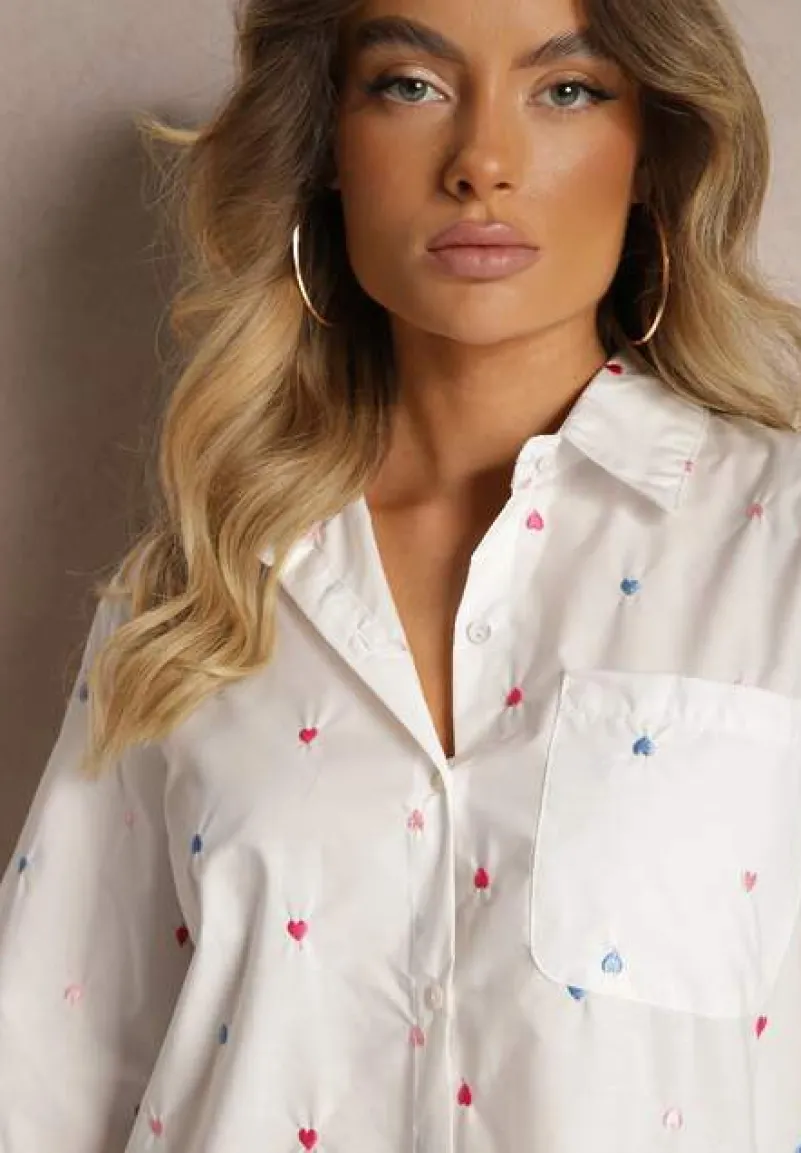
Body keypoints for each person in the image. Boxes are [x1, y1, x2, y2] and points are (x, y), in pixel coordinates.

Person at [2, 0, 801, 1148]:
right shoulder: (196, 586)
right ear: (330, 143)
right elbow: (42, 1077)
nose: (482, 162)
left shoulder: (776, 547)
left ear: (651, 153)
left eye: (566, 90)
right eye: (409, 86)